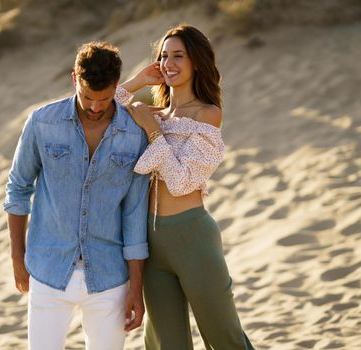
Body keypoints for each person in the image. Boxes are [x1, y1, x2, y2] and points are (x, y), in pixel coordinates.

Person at [115, 24, 255, 349]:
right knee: (167, 343)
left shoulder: (208, 115)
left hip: (192, 237)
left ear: (196, 62)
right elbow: (95, 111)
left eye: (179, 56)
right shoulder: (152, 111)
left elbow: (180, 182)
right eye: (164, 56)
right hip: (150, 240)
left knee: (224, 338)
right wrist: (138, 82)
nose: (169, 63)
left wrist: (152, 132)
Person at [3, 41, 150, 350]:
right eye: (87, 97)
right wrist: (18, 257)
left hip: (110, 276)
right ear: (74, 79)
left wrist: (136, 286)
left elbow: (134, 213)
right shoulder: (42, 123)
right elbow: (18, 188)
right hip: (47, 269)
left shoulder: (135, 136)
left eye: (106, 98)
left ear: (116, 85)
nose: (95, 107)